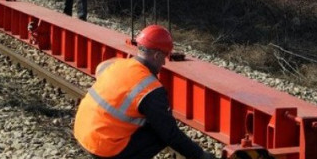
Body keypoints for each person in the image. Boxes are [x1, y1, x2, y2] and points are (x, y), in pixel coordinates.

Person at [74, 25, 213, 159]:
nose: (164, 64)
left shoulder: (118, 64)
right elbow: (170, 133)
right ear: (157, 55)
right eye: (164, 57)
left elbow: (100, 68)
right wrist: (200, 155)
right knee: (160, 132)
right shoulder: (150, 89)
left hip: (82, 132)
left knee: (149, 118)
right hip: (103, 148)